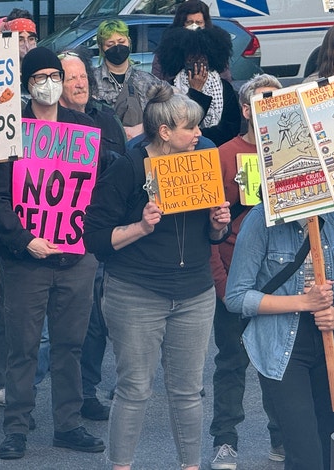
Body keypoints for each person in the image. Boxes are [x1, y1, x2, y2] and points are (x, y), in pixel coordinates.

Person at [84, 83, 232, 470]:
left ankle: (190, 465)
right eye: (190, 128)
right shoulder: (128, 166)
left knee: (189, 392)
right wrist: (140, 227)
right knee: (134, 390)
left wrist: (219, 224)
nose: (199, 134)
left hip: (194, 292)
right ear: (164, 132)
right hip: (136, 292)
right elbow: (96, 238)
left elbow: (213, 235)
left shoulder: (203, 159)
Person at [0, 47, 103, 460]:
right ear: (28, 83)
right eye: (41, 76)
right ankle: (16, 427)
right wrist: (23, 240)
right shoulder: (10, 130)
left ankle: (68, 425)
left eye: (55, 74)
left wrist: (87, 237)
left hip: (75, 259)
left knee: (71, 346)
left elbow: (97, 190)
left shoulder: (85, 127)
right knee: (23, 346)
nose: (51, 83)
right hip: (26, 261)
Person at [225, 178, 334, 469]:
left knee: (332, 447)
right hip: (280, 347)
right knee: (304, 453)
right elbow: (236, 297)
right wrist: (303, 302)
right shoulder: (261, 219)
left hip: (332, 341)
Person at [209, 73, 285, 469]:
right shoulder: (223, 155)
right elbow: (210, 226)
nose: (269, 105)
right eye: (262, 99)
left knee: (279, 362)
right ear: (244, 108)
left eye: (276, 99)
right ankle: (225, 440)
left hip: (281, 279)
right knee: (231, 364)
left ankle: (281, 436)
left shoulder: (291, 152)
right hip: (234, 275)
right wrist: (222, 282)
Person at [56, 48, 125, 421]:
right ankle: (54, 397)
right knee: (70, 324)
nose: (79, 83)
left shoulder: (106, 118)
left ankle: (87, 391)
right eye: (70, 77)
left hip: (101, 231)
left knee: (97, 319)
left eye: (82, 75)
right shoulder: (48, 123)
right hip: (61, 231)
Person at [154, 25, 241, 145]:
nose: (198, 65)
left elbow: (231, 127)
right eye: (192, 60)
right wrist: (195, 91)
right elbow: (181, 124)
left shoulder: (224, 87)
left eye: (202, 60)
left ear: (210, 60)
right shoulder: (171, 88)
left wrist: (201, 137)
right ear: (183, 60)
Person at [91, 19, 164, 140]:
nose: (117, 47)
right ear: (101, 48)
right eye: (110, 44)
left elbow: (166, 112)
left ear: (129, 42)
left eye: (121, 41)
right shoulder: (91, 81)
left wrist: (142, 128)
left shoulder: (148, 81)